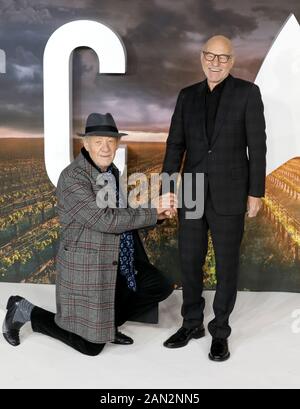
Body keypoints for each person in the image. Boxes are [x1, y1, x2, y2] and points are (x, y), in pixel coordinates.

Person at [3, 112, 176, 356]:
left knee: (159, 285)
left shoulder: (111, 172)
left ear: (117, 144)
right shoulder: (73, 178)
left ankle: (107, 324)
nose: (105, 147)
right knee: (91, 347)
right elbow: (103, 220)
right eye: (98, 141)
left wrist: (156, 216)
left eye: (110, 141)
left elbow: (121, 212)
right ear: (86, 144)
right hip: (89, 265)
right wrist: (151, 210)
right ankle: (25, 310)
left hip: (117, 260)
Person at [162, 35, 267, 361]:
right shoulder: (186, 96)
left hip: (231, 192)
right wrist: (167, 189)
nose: (216, 62)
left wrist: (255, 191)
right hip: (191, 192)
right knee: (190, 262)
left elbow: (257, 146)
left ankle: (220, 331)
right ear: (202, 58)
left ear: (232, 61)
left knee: (227, 266)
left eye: (223, 58)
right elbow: (174, 145)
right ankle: (192, 322)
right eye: (210, 56)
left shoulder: (248, 93)